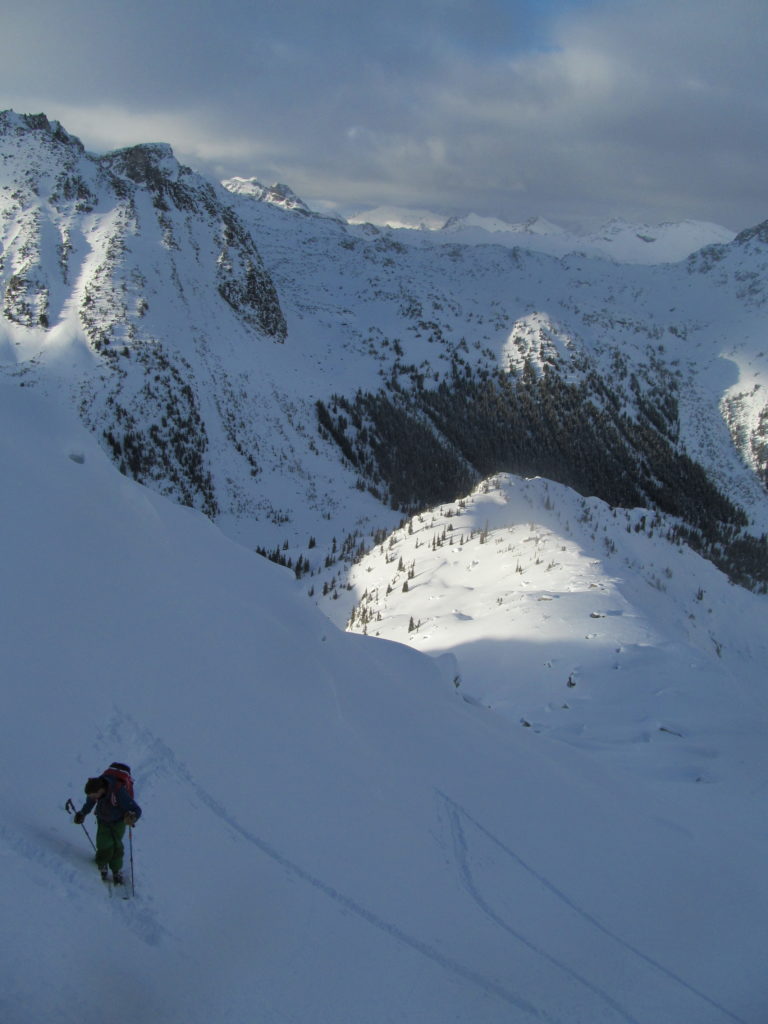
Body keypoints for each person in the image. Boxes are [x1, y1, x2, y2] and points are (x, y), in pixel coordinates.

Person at [74, 774, 142, 884]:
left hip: (118, 822)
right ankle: (102, 865)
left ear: (100, 790)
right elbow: (90, 802)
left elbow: (136, 809)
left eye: (93, 795)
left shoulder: (118, 791)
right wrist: (83, 813)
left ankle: (116, 871)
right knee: (104, 843)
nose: (92, 797)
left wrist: (133, 817)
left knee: (117, 846)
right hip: (103, 820)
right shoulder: (95, 791)